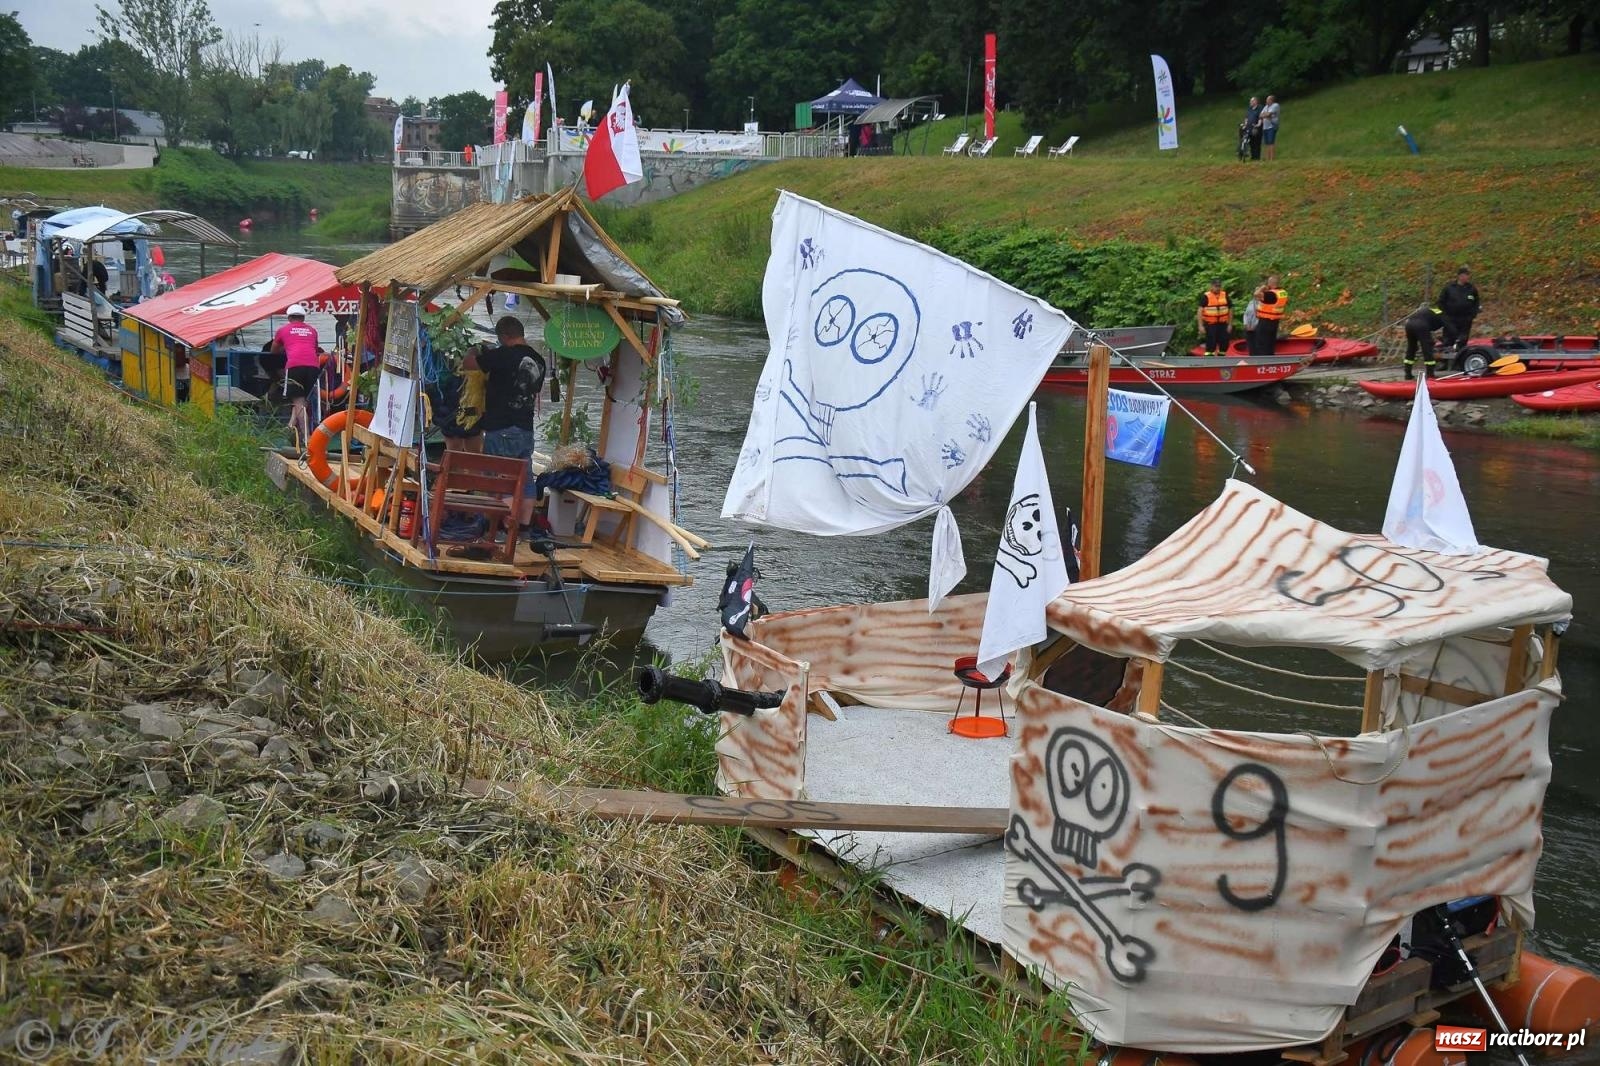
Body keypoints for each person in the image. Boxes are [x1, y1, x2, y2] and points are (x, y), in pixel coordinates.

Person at [463, 316, 548, 536]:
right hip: (526, 429)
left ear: (503, 336)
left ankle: (502, 527)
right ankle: (524, 526)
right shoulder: (539, 360)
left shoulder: (502, 355)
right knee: (525, 478)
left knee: (499, 479)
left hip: (501, 428)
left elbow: (469, 365)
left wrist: (473, 351)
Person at [272, 303, 322, 445]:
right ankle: (290, 425)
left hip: (295, 366)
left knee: (298, 401)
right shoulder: (312, 330)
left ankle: (307, 437)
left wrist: (285, 348)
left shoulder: (283, 330)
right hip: (313, 366)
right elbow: (315, 348)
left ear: (289, 318)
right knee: (302, 400)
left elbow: (273, 350)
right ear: (303, 318)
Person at [1437, 265, 1480, 361]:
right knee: (1448, 340)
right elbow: (1441, 302)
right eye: (1464, 275)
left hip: (1465, 319)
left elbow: (1476, 302)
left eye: (1468, 275)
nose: (1466, 277)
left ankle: (1461, 361)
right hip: (1451, 319)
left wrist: (1473, 315)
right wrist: (1444, 316)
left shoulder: (1471, 289)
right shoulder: (1449, 288)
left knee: (1462, 340)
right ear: (1460, 276)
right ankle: (1445, 362)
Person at [1404, 306, 1448, 379]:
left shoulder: (1433, 310)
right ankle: (1430, 374)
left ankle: (1407, 374)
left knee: (1411, 348)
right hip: (1421, 325)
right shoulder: (1443, 315)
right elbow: (1446, 327)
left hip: (1409, 324)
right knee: (1427, 349)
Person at [1251, 275, 1287, 355]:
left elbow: (1256, 294)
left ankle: (1262, 359)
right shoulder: (1282, 293)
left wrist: (1262, 288)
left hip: (1266, 322)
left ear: (1270, 283)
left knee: (1262, 343)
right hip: (1275, 322)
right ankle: (1270, 358)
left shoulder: (1270, 294)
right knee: (1270, 343)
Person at [1197, 277, 1232, 355]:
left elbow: (1230, 309)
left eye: (1219, 286)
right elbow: (1199, 311)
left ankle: (1221, 358)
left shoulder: (1225, 295)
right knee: (1211, 344)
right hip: (1210, 325)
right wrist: (1200, 326)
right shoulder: (1206, 296)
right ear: (1211, 286)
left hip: (1223, 324)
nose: (1218, 288)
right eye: (1216, 286)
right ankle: (1209, 360)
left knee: (1224, 343)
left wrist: (1230, 324)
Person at [1260, 94, 1281, 161]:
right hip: (1265, 127)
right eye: (1267, 99)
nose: (1266, 101)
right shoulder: (1266, 107)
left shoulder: (1275, 105)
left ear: (1272, 100)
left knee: (1271, 142)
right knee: (1266, 143)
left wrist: (1266, 115)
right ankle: (1267, 158)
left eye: (1268, 99)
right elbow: (1260, 115)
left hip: (1272, 126)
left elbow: (1269, 114)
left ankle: (1272, 158)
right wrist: (1266, 115)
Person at [1243, 96, 1263, 161]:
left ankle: (1257, 157)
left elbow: (1260, 117)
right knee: (1251, 143)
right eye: (1250, 101)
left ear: (1256, 101)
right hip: (1249, 128)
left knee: (1257, 142)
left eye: (1252, 101)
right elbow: (1246, 117)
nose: (1250, 102)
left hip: (1256, 128)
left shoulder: (1259, 108)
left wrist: (1258, 124)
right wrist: (1245, 124)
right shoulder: (1250, 108)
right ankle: (1253, 157)